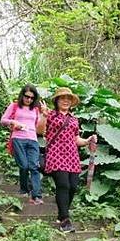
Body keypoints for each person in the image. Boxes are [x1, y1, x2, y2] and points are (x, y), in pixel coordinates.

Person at [41, 87, 97, 232]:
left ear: (71, 102)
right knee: (63, 185)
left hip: (72, 155)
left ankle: (61, 214)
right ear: (57, 101)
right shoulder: (51, 114)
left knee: (73, 186)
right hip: (56, 153)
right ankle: (65, 220)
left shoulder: (74, 119)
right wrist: (43, 114)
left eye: (68, 98)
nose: (65, 100)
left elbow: (76, 139)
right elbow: (41, 129)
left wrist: (88, 140)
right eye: (62, 98)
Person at [0, 84, 47, 204]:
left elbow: (39, 129)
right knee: (24, 166)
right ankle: (24, 189)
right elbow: (3, 120)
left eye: (32, 98)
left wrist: (44, 114)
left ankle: (36, 195)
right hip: (18, 139)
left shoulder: (36, 110)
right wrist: (13, 122)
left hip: (33, 140)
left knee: (34, 166)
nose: (29, 99)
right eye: (27, 97)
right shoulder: (14, 106)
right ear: (22, 95)